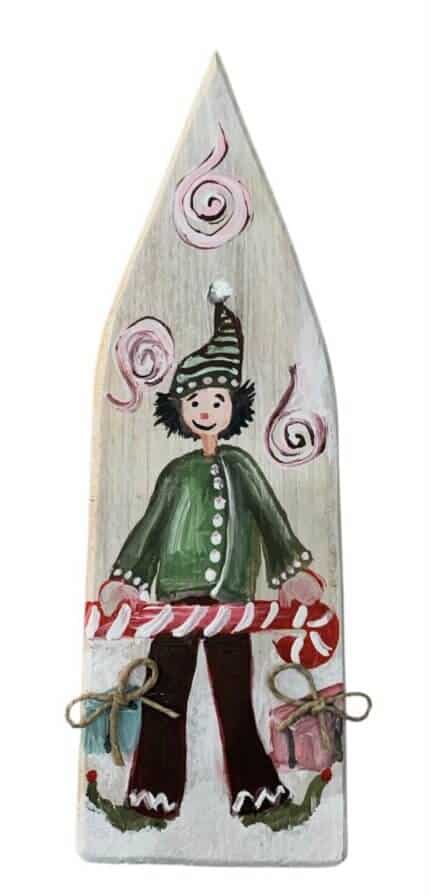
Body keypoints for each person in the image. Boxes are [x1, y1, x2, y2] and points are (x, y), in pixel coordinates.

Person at [99, 280, 313, 824]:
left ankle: (256, 794)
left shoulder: (242, 467)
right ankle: (151, 795)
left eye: (216, 400)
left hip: (232, 602)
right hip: (175, 601)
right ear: (181, 409)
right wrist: (126, 578)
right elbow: (151, 528)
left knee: (235, 700)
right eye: (196, 401)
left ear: (232, 405)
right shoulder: (176, 473)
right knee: (164, 693)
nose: (206, 409)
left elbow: (270, 518)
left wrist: (290, 570)